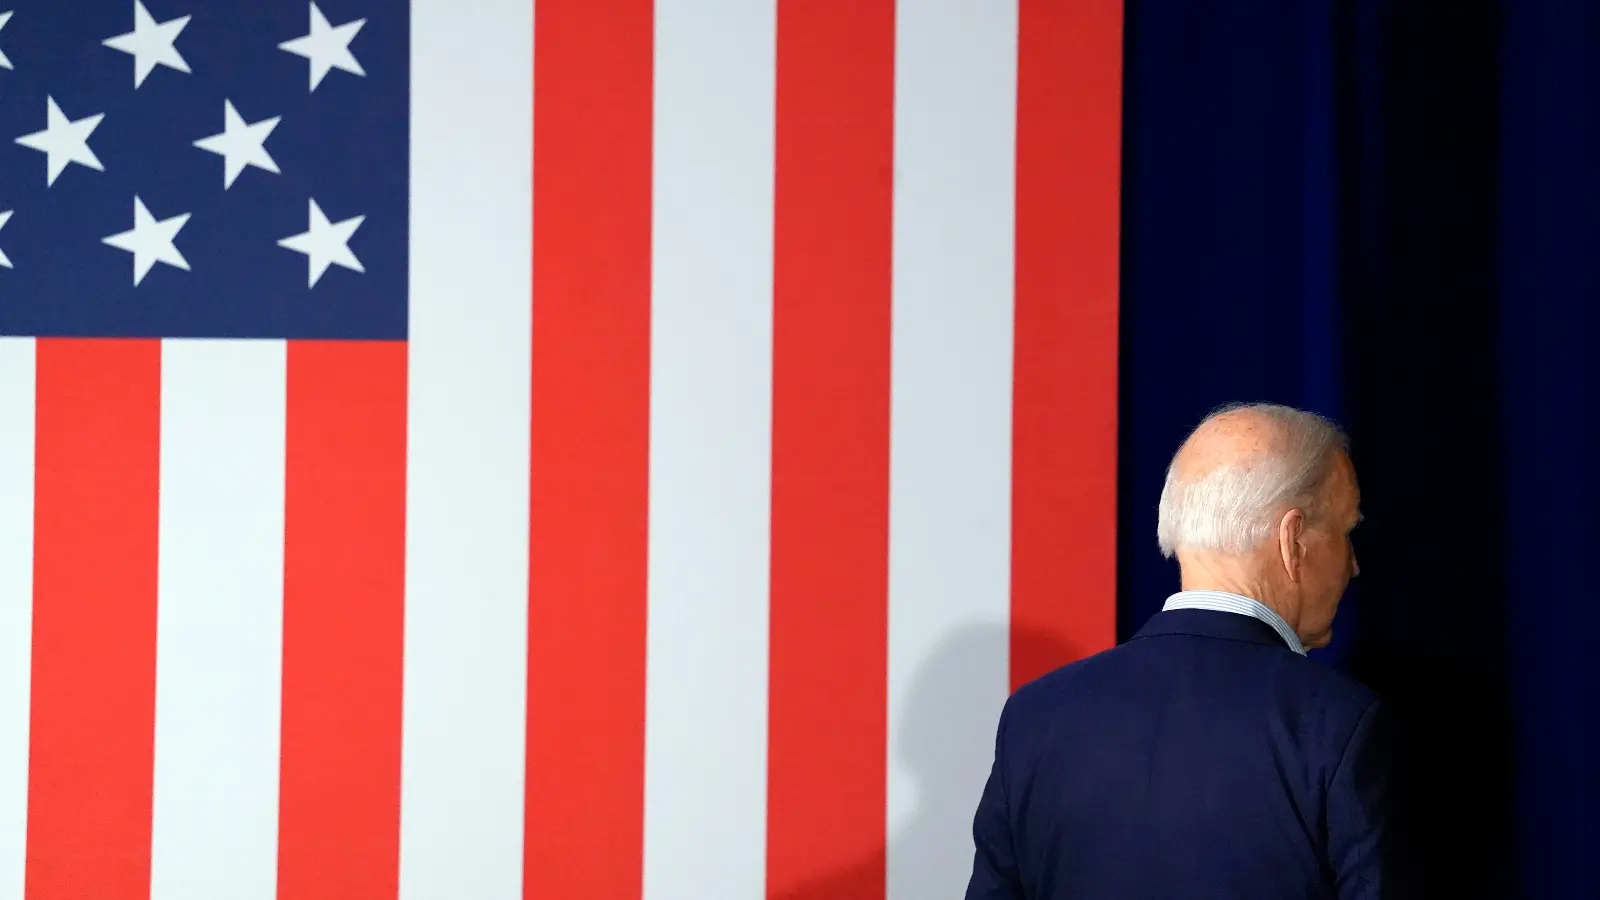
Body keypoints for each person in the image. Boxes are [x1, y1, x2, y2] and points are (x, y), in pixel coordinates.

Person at [964, 402, 1396, 898]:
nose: (1354, 565)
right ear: (1292, 539)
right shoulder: (1340, 724)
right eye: (1344, 533)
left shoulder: (1034, 718)